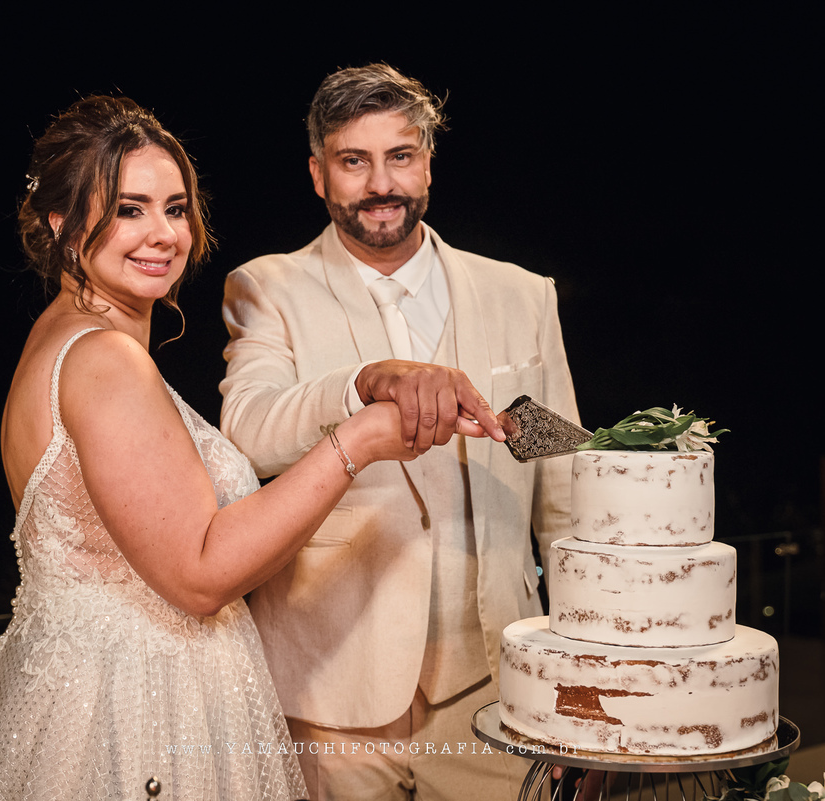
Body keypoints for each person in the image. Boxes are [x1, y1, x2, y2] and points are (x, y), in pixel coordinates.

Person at [0, 95, 450, 801]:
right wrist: (359, 437)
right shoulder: (104, 361)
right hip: (137, 713)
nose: (162, 234)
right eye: (129, 209)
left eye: (175, 208)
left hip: (82, 688)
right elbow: (202, 573)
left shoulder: (60, 339)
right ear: (62, 222)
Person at [219, 64, 581, 800]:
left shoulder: (524, 295)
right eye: (354, 161)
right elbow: (250, 429)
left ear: (427, 165)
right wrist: (362, 384)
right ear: (319, 175)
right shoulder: (267, 288)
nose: (381, 183)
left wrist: (579, 692)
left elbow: (567, 496)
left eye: (400, 157)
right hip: (331, 700)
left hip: (498, 693)